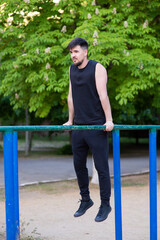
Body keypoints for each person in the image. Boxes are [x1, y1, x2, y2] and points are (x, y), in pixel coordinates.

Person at [63, 38, 114, 222]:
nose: (73, 55)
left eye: (75, 52)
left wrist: (109, 120)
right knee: (78, 166)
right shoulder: (71, 70)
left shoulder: (97, 68)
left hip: (96, 126)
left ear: (85, 51)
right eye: (70, 52)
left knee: (101, 168)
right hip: (78, 126)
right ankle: (86, 200)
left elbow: (103, 95)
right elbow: (71, 97)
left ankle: (105, 204)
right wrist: (70, 120)